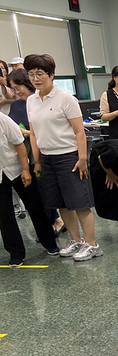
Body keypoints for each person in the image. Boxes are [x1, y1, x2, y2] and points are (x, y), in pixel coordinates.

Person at [25, 54, 101, 262]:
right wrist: (37, 161)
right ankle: (76, 240)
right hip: (47, 158)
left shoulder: (66, 99)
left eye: (40, 74)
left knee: (80, 203)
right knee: (62, 203)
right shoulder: (31, 101)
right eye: (31, 74)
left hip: (69, 156)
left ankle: (91, 244)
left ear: (51, 75)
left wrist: (82, 158)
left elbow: (79, 132)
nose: (35, 79)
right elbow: (33, 133)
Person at [7, 68, 66, 236]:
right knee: (35, 194)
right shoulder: (16, 105)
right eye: (13, 89)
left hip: (41, 152)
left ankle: (56, 220)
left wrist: (25, 132)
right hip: (24, 154)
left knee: (46, 191)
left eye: (18, 87)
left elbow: (43, 129)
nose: (17, 92)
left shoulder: (38, 101)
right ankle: (51, 223)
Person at [0, 111, 58, 266]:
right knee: (4, 214)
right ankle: (16, 253)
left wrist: (25, 170)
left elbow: (19, 144)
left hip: (17, 168)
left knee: (35, 206)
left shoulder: (3, 120)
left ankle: (50, 243)